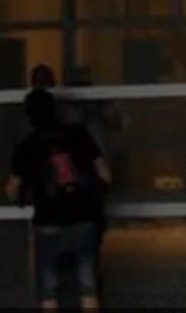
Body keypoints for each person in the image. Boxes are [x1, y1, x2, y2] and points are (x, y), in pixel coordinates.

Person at [8, 89, 111, 311]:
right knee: (88, 289)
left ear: (29, 116)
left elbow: (12, 189)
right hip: (84, 219)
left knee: (48, 292)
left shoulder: (27, 146)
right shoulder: (79, 135)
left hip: (48, 224)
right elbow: (105, 174)